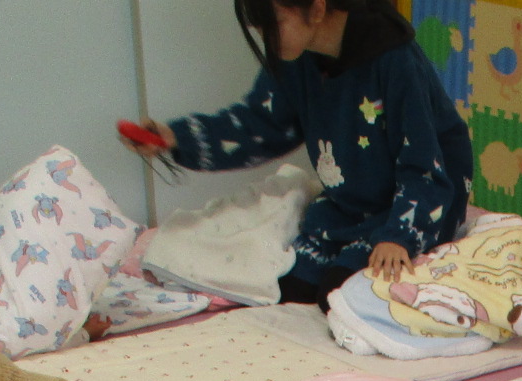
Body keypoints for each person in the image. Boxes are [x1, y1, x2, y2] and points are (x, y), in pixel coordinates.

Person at [124, 0, 473, 308]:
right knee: (291, 286)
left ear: (317, 8)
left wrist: (399, 237)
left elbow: (424, 163)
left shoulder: (395, 59)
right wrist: (176, 138)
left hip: (420, 202)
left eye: (275, 25)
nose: (268, 40)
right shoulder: (297, 58)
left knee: (339, 295)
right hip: (349, 206)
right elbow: (259, 125)